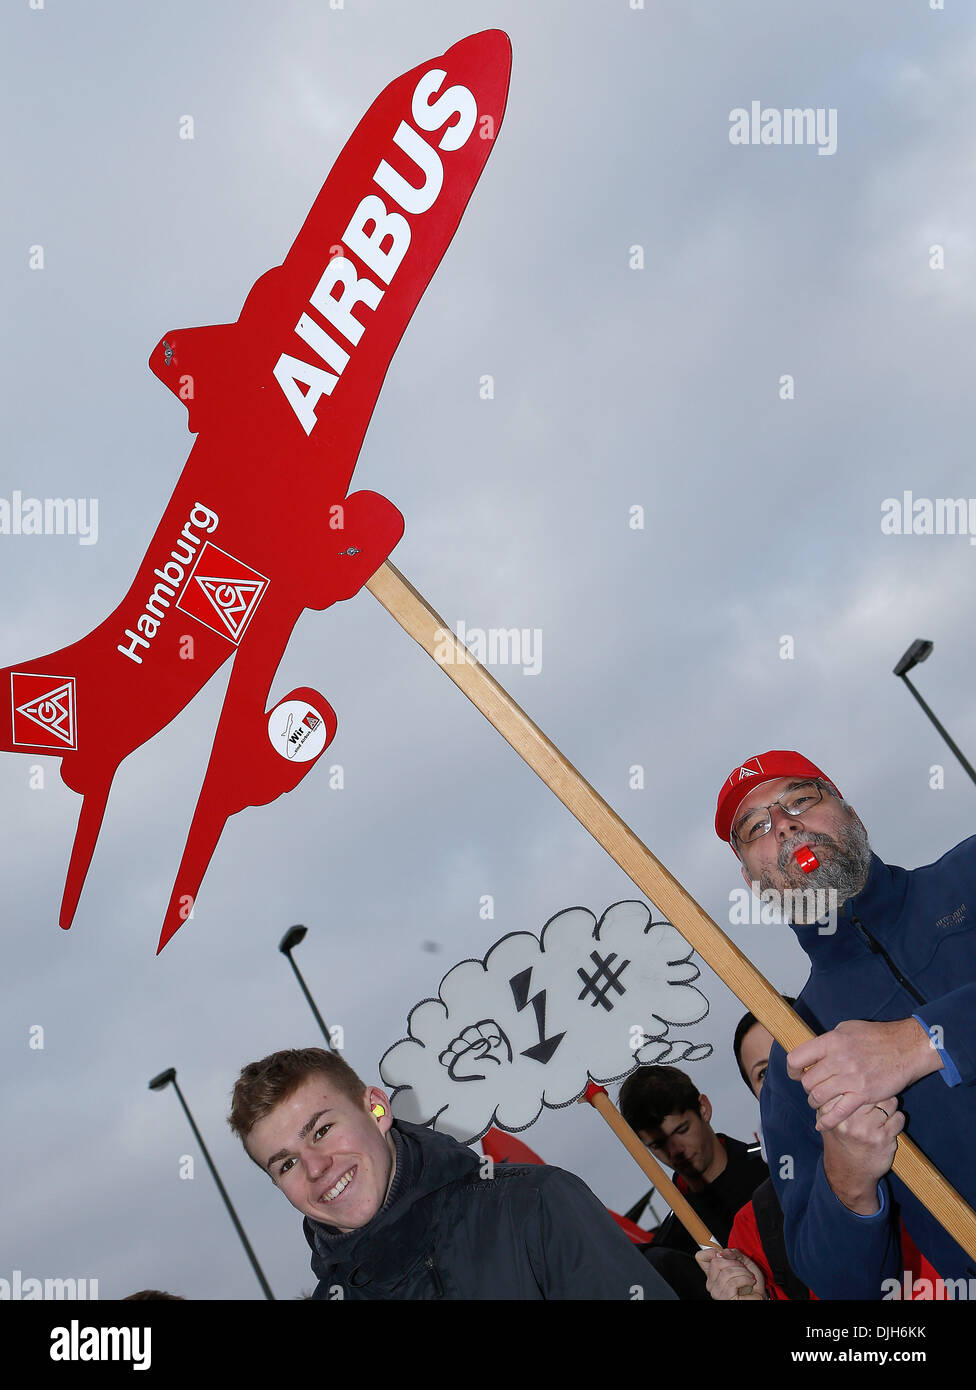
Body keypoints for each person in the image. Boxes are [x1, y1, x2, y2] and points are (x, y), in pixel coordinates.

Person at [715, 749, 976, 1299]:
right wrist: (849, 1182)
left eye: (800, 801)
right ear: (751, 878)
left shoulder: (968, 876)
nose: (784, 824)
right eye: (756, 827)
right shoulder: (795, 1059)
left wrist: (925, 1040)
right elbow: (842, 1288)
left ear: (850, 812)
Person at [227, 1046, 676, 1300]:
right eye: (285, 1163)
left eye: (322, 1130)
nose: (316, 1167)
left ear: (377, 1109)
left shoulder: (534, 1207)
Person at [618, 1064, 767, 1260]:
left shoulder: (779, 1168)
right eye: (658, 1144)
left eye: (681, 1130)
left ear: (704, 1108)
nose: (675, 1150)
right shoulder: (673, 1245)